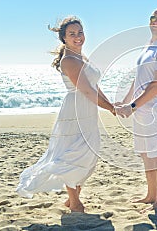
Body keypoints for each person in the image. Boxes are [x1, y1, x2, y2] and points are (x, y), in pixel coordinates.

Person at [16, 16, 116, 213]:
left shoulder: (82, 57)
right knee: (74, 153)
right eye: (72, 34)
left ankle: (73, 199)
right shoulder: (69, 60)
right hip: (75, 110)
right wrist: (110, 108)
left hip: (88, 111)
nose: (77, 37)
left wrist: (111, 105)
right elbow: (86, 90)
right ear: (64, 38)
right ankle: (75, 202)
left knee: (89, 153)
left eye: (80, 32)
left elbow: (94, 86)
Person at [116, 8, 157, 212]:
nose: (156, 21)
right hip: (141, 109)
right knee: (145, 154)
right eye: (153, 18)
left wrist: (132, 106)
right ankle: (150, 195)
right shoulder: (149, 46)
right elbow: (139, 79)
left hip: (155, 110)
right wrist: (125, 102)